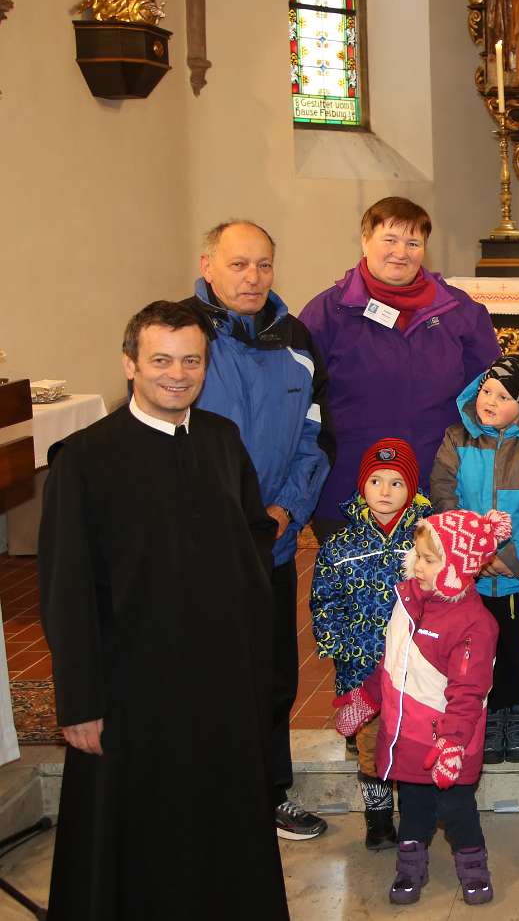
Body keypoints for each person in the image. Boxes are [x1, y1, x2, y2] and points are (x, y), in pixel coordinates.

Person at [39, 300, 289, 919]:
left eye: (191, 361)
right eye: (160, 360)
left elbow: (253, 542)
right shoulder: (85, 459)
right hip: (132, 694)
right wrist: (80, 702)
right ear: (130, 364)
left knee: (222, 833)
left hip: (221, 686)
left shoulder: (222, 440)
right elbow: (66, 588)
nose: (177, 374)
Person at [183, 218, 333, 840]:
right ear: (208, 264)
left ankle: (271, 793)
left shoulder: (294, 338)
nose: (252, 277)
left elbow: (314, 434)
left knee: (273, 674)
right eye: (239, 264)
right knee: (200, 672)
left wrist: (287, 512)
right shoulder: (181, 333)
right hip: (193, 543)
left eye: (264, 265)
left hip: (268, 538)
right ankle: (201, 798)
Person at [334, 508, 514, 906]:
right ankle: (410, 868)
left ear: (456, 567)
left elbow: (469, 691)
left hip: (449, 740)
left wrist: (451, 745)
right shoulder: (409, 601)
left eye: (429, 559)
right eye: (416, 555)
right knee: (412, 809)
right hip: (408, 736)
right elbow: (395, 661)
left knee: (458, 812)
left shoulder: (474, 624)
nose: (417, 565)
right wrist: (368, 697)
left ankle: (473, 868)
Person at [301, 196, 500, 539]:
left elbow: (488, 395)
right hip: (349, 483)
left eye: (413, 243)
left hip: (437, 481)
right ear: (365, 241)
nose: (401, 252)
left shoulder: (460, 312)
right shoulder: (327, 313)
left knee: (433, 587)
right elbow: (303, 402)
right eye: (389, 240)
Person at [431, 355, 519, 764]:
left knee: (518, 647)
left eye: (503, 396)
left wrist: (512, 556)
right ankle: (484, 716)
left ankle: (518, 715)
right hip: (471, 573)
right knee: (474, 651)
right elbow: (443, 491)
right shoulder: (458, 438)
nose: (489, 400)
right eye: (487, 390)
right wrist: (471, 550)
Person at [311, 437, 433, 850]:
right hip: (362, 670)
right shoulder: (340, 545)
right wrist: (338, 645)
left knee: (416, 742)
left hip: (415, 670)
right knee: (370, 746)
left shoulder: (426, 542)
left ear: (412, 489)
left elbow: (444, 596)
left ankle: (418, 817)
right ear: (362, 486)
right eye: (376, 481)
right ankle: (378, 819)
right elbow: (324, 599)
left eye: (396, 483)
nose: (385, 491)